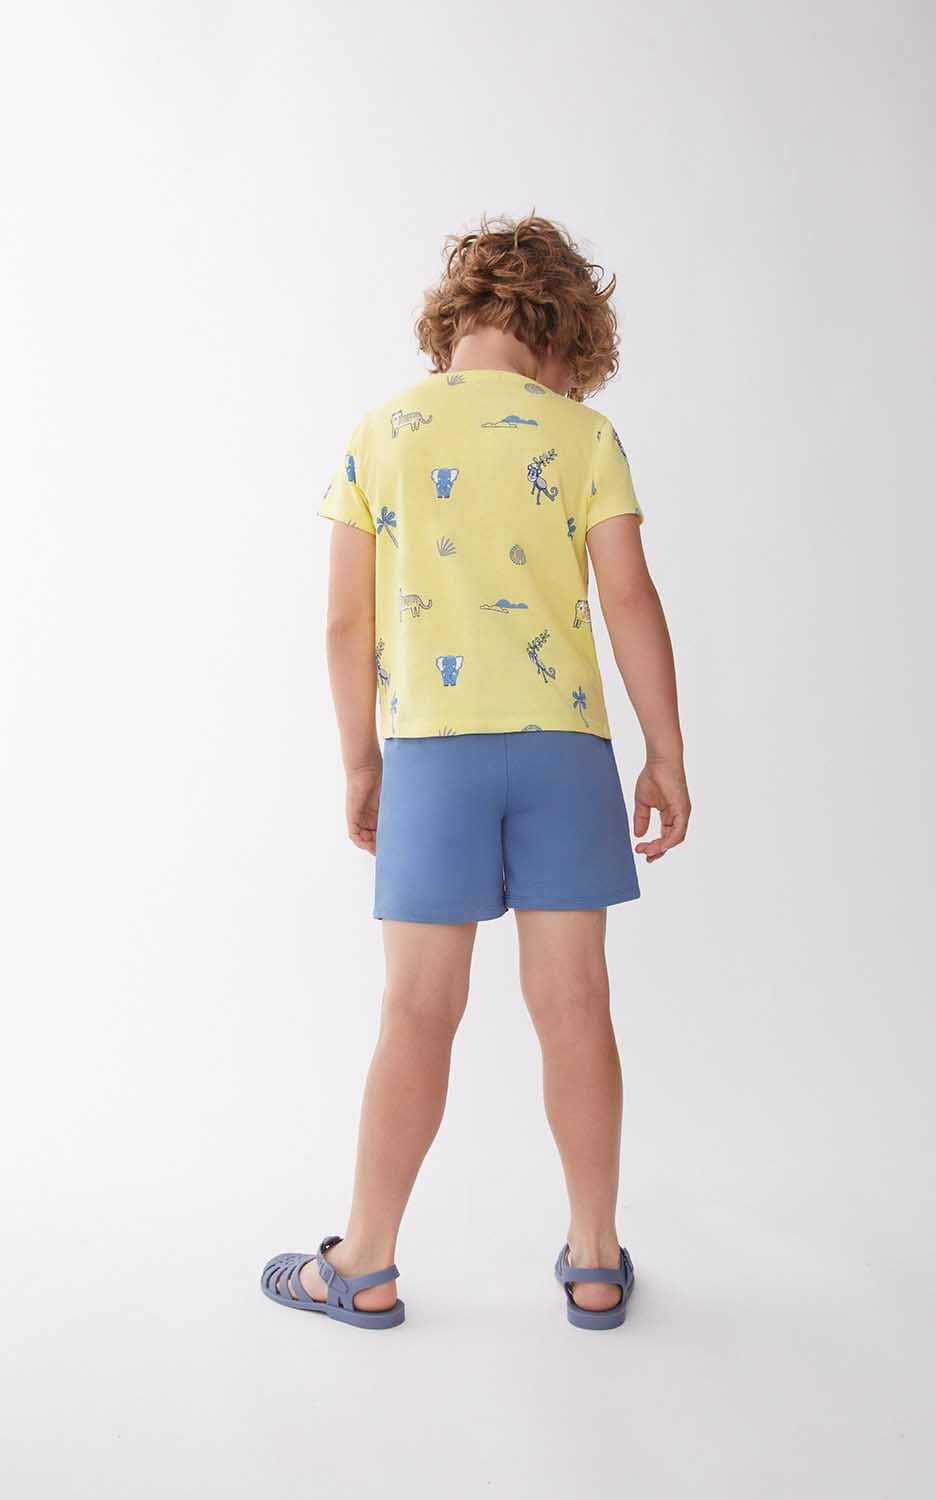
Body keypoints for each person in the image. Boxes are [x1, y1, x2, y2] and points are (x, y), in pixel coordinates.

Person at [262, 214, 690, 1331]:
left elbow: (345, 622)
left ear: (459, 322)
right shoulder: (582, 435)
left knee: (416, 1009)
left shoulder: (381, 433)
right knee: (575, 1003)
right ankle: (593, 1262)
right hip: (565, 753)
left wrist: (360, 762)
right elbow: (630, 597)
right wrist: (665, 751)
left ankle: (365, 1263)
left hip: (431, 757)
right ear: (561, 337)